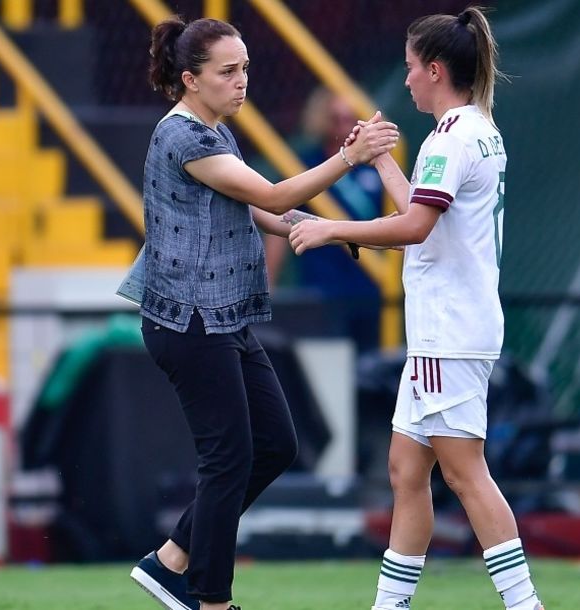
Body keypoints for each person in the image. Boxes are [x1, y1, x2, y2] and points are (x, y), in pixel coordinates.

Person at [126, 15, 398, 610]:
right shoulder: (185, 136)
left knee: (275, 443)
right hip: (188, 321)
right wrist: (350, 156)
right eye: (228, 72)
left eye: (245, 68)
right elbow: (272, 195)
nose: (241, 81)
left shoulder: (215, 130)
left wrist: (329, 230)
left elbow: (260, 210)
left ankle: (171, 561)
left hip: (220, 317)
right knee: (228, 458)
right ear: (191, 79)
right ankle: (211, 600)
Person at [289, 7, 543, 610]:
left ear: (434, 68)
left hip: (448, 332)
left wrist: (330, 230)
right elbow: (424, 219)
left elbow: (415, 228)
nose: (405, 81)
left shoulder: (451, 137)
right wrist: (380, 161)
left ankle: (525, 604)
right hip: (448, 329)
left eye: (409, 68)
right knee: (408, 468)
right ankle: (390, 605)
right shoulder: (477, 128)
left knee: (464, 473)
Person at [257, 87, 385, 348]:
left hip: (370, 286)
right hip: (322, 287)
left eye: (351, 120)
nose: (344, 127)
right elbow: (279, 217)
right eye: (336, 119)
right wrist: (268, 285)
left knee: (370, 368)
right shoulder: (305, 165)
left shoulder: (378, 167)